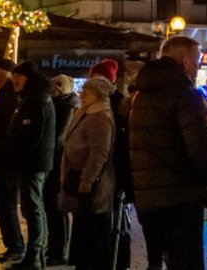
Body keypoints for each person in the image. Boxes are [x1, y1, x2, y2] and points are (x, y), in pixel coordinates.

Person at [130, 36, 207, 270]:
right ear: (184, 61)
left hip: (148, 196)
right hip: (182, 197)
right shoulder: (187, 95)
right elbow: (202, 149)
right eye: (196, 62)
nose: (198, 68)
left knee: (156, 261)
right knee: (186, 262)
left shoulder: (140, 96)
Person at [58, 74, 117, 270]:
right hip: (78, 177)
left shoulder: (100, 117)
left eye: (87, 92)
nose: (82, 94)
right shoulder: (87, 113)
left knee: (93, 228)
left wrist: (88, 178)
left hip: (91, 184)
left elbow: (99, 151)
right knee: (84, 225)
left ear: (98, 95)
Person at [5, 61, 57, 270]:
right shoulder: (32, 99)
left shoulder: (37, 101)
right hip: (32, 162)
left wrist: (18, 154)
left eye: (19, 76)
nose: (15, 80)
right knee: (31, 206)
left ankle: (35, 253)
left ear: (29, 78)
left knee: (32, 206)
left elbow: (32, 135)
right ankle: (36, 253)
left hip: (33, 163)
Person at [89, 58, 133, 269]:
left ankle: (114, 261)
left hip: (112, 171)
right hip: (104, 171)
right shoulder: (96, 104)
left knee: (114, 223)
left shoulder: (115, 104)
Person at [0, 57, 25, 263]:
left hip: (5, 159)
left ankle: (15, 246)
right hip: (3, 157)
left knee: (6, 203)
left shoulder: (9, 96)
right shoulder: (7, 95)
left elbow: (2, 128)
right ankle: (13, 245)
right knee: (4, 203)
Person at [45, 73, 80, 266]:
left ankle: (59, 250)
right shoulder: (58, 105)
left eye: (54, 88)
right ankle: (54, 246)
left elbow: (59, 137)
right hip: (53, 162)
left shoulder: (65, 108)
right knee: (51, 207)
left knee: (56, 207)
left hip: (57, 163)